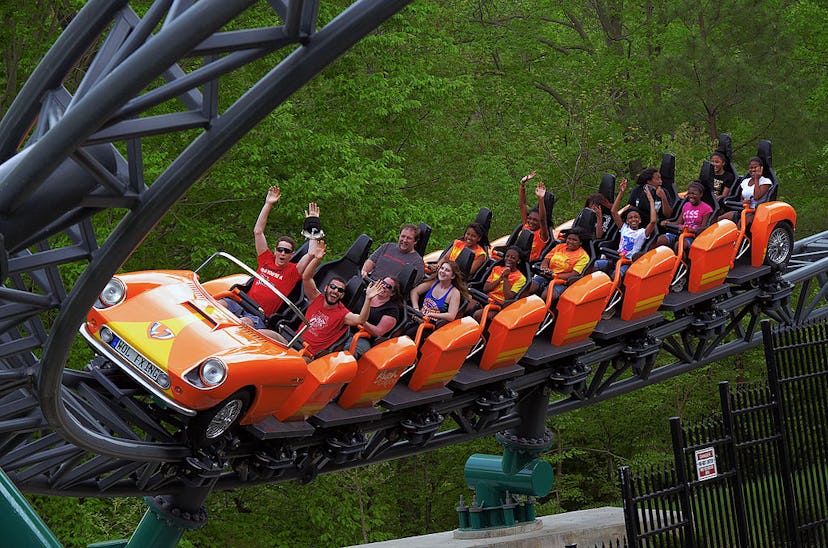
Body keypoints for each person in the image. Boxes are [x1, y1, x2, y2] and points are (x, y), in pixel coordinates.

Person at [222, 186, 314, 328]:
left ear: (291, 255)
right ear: (275, 250)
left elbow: (311, 254)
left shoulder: (293, 271)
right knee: (220, 304)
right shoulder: (266, 259)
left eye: (287, 251)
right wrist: (268, 204)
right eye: (280, 249)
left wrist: (312, 226)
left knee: (243, 324)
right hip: (241, 302)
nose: (283, 253)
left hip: (257, 315)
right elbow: (258, 231)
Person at [298, 242, 382, 359]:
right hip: (292, 341)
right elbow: (306, 277)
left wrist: (368, 298)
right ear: (326, 288)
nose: (335, 291)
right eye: (332, 287)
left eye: (340, 290)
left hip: (307, 354)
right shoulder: (316, 297)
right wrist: (317, 259)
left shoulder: (343, 314)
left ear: (342, 295)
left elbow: (360, 319)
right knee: (266, 336)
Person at [594, 178, 657, 278]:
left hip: (627, 262)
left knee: (616, 274)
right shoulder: (624, 228)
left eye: (636, 217)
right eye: (630, 218)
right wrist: (621, 192)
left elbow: (653, 221)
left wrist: (651, 200)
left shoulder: (642, 232)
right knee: (597, 264)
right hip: (616, 257)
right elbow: (614, 211)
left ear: (640, 220)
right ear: (627, 221)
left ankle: (616, 292)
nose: (633, 219)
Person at [348, 276, 403, 358]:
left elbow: (378, 332)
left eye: (388, 286)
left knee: (348, 351)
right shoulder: (365, 293)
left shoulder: (392, 310)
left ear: (392, 293)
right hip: (347, 326)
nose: (384, 286)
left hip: (363, 338)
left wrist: (360, 320)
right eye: (383, 283)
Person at [528, 227, 590, 300]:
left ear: (580, 242)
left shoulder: (583, 256)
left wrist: (555, 275)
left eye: (574, 240)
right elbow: (546, 259)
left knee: (547, 295)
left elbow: (574, 274)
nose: (570, 241)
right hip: (546, 275)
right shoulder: (560, 247)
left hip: (562, 282)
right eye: (569, 238)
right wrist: (544, 267)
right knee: (530, 287)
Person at [471, 246, 526, 322]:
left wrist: (506, 278)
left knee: (478, 315)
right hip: (485, 299)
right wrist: (500, 279)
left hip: (499, 305)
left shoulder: (520, 278)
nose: (509, 259)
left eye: (513, 258)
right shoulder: (497, 268)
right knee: (466, 305)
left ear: (518, 261)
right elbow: (486, 288)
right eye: (507, 256)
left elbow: (508, 298)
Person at [361, 224, 426, 285]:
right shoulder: (386, 246)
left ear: (415, 241)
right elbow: (371, 261)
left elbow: (409, 287)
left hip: (387, 293)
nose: (404, 240)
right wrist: (364, 271)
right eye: (403, 236)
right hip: (369, 284)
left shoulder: (417, 262)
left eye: (409, 238)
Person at [410, 261, 470, 325]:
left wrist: (431, 314)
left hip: (432, 325)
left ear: (452, 276)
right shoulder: (433, 283)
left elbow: (451, 316)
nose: (443, 271)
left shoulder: (454, 293)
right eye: (442, 268)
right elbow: (414, 292)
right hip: (420, 318)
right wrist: (416, 309)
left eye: (447, 270)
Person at [657, 181, 713, 249]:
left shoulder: (706, 209)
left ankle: (682, 259)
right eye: (689, 193)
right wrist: (667, 223)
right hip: (680, 233)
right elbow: (678, 222)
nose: (691, 196)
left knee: (679, 245)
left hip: (692, 236)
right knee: (661, 240)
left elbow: (704, 228)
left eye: (694, 194)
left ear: (700, 194)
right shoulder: (686, 205)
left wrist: (690, 229)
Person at [717, 157, 772, 226]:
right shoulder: (745, 181)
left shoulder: (766, 181)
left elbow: (756, 197)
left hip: (756, 211)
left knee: (741, 223)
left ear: (761, 168)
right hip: (744, 209)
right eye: (751, 168)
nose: (753, 170)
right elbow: (741, 198)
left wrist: (756, 179)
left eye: (755, 167)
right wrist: (743, 201)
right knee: (721, 218)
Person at [519, 172, 551, 261]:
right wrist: (522, 184)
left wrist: (541, 199)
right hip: (515, 258)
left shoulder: (542, 234)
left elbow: (542, 219)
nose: (531, 222)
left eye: (535, 220)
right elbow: (522, 204)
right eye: (530, 218)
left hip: (529, 264)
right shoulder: (526, 225)